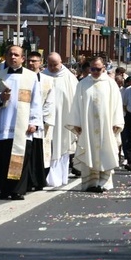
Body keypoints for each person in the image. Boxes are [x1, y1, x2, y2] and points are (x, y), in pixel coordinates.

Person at [0, 45, 43, 200]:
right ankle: (5, 189)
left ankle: (17, 190)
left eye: (16, 55)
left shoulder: (31, 76)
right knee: (3, 159)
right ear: (6, 56)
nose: (13, 57)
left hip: (23, 125)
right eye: (10, 54)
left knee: (20, 158)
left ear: (22, 58)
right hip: (3, 125)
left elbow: (36, 101)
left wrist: (35, 121)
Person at [67, 57, 124, 193]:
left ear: (104, 68)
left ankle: (103, 182)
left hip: (106, 125)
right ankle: (90, 183)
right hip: (88, 126)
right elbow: (76, 104)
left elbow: (117, 104)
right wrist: (77, 123)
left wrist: (116, 122)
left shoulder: (110, 84)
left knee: (105, 151)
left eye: (98, 69)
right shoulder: (83, 84)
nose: (95, 71)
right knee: (89, 150)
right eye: (93, 69)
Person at [42, 52, 80, 187]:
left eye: (55, 65)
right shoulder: (43, 75)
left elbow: (76, 99)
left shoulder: (69, 77)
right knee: (47, 146)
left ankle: (61, 176)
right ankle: (46, 176)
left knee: (61, 145)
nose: (52, 68)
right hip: (46, 118)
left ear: (61, 62)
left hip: (63, 119)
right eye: (50, 65)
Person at [25, 51, 56, 191]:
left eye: (35, 61)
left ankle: (38, 180)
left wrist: (40, 120)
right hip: (23, 121)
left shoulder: (47, 80)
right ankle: (26, 180)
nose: (32, 64)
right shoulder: (22, 77)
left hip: (41, 123)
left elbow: (50, 102)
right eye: (29, 61)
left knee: (41, 153)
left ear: (40, 62)